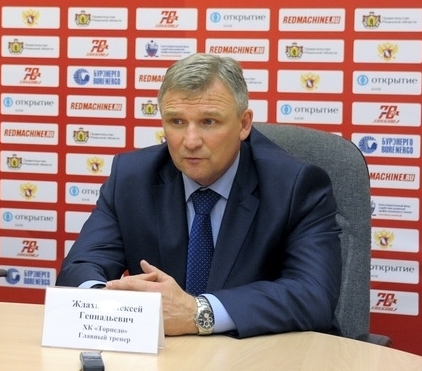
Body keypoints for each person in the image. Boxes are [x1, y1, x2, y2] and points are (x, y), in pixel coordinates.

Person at [56, 53, 342, 338]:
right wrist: (110, 304)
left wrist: (198, 312)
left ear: (244, 124)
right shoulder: (133, 177)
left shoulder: (294, 185)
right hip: (167, 356)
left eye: (208, 122)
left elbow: (313, 294)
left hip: (261, 354)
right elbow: (80, 269)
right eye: (177, 121)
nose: (190, 141)